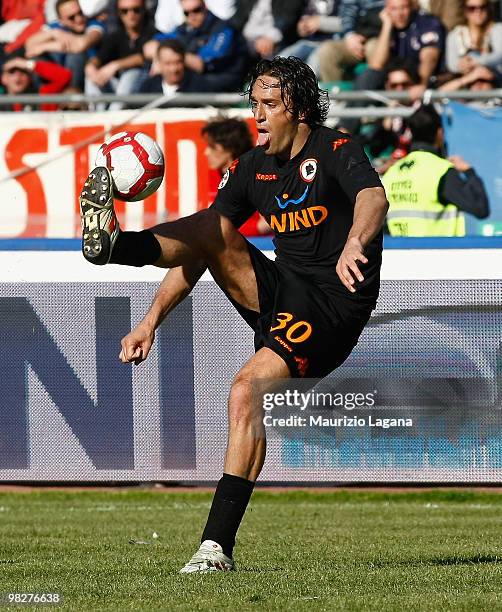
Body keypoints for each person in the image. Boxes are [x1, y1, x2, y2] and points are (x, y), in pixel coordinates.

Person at [78, 57, 388, 572]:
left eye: (269, 105)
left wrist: (356, 241)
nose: (258, 115)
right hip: (281, 294)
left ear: (300, 108)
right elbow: (204, 247)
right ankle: (111, 246)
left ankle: (214, 548)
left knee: (245, 391)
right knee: (214, 226)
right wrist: (150, 320)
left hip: (333, 305)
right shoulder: (251, 168)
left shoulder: (336, 149)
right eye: (254, 104)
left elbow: (373, 199)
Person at [382, 104, 489, 236]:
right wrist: (469, 172)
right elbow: (480, 208)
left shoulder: (392, 172)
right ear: (440, 133)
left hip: (399, 252)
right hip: (437, 253)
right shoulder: (441, 170)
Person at [144, 0, 247, 91]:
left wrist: (169, 57)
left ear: (205, 7)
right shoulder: (185, 30)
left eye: (196, 10)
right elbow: (149, 47)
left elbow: (200, 64)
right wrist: (162, 59)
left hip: (222, 83)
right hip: (195, 82)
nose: (192, 16)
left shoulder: (223, 30)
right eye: (186, 13)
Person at [202, 115, 271, 236]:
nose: (206, 152)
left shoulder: (256, 171)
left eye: (212, 147)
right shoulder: (215, 173)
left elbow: (269, 223)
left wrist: (227, 231)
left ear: (229, 149)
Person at [84, 0, 155, 110]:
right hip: (118, 89)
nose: (131, 15)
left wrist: (116, 65)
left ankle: (113, 118)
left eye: (136, 10)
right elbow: (98, 58)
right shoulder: (115, 35)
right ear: (118, 13)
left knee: (130, 75)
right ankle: (96, 117)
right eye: (124, 11)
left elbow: (143, 58)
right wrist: (91, 67)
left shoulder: (153, 34)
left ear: (144, 11)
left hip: (144, 88)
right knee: (91, 78)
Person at [364, 0, 445, 90]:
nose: (399, 14)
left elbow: (429, 58)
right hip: (393, 84)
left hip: (421, 82)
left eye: (403, 8)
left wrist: (422, 84)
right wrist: (387, 25)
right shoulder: (383, 24)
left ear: (411, 7)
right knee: (367, 77)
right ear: (386, 10)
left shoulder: (428, 23)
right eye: (394, 9)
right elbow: (376, 66)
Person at [25, 0, 105, 90]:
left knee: (75, 56)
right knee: (36, 60)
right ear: (61, 21)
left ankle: (73, 98)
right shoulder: (55, 27)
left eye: (80, 13)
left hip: (85, 78)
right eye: (71, 17)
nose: (78, 19)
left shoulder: (94, 24)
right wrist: (55, 33)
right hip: (59, 75)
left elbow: (81, 45)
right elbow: (29, 45)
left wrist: (51, 46)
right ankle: (43, 98)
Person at [318, 0, 384, 82]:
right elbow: (347, 12)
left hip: (382, 37)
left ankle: (372, 93)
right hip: (356, 36)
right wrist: (350, 35)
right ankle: (335, 93)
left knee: (373, 49)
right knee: (327, 50)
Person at [445, 0, 502, 78]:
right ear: (465, 11)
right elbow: (452, 65)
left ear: (488, 8)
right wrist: (464, 65)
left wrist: (476, 61)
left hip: (494, 81)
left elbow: (500, 55)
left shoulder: (497, 29)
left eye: (482, 7)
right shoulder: (455, 34)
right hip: (466, 82)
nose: (478, 11)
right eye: (472, 8)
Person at [138, 39, 212, 95]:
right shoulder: (148, 87)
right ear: (159, 64)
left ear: (184, 62)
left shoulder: (200, 86)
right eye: (168, 63)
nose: (174, 69)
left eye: (178, 62)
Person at [0, 55, 72, 110]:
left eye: (23, 72)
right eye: (12, 72)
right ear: (3, 78)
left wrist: (29, 65)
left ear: (30, 78)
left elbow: (65, 76)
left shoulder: (42, 95)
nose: (18, 76)